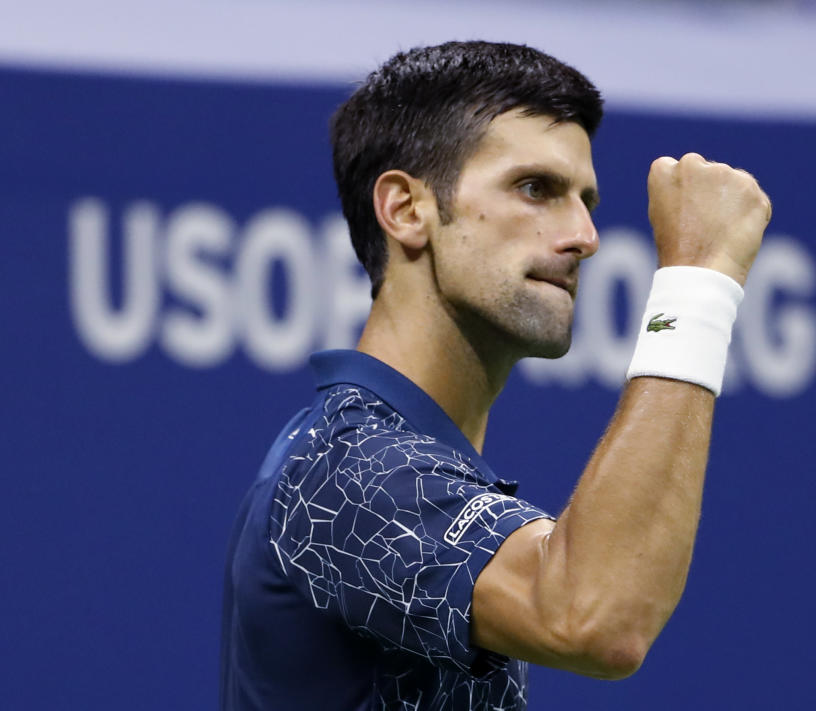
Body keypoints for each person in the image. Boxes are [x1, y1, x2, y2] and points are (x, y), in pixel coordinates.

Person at [220, 40, 771, 711]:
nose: (585, 235)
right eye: (535, 188)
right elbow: (593, 615)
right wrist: (696, 285)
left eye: (586, 199)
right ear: (405, 209)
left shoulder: (402, 459)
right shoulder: (348, 466)